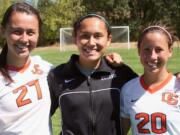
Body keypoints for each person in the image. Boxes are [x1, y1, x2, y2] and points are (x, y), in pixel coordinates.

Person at [48, 13, 137, 135]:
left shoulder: (122, 73)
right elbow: (38, 117)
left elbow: (149, 94)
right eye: (85, 36)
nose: (91, 42)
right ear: (75, 39)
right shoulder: (57, 75)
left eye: (98, 36)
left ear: (108, 40)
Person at [0, 2, 52, 134]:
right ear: (3, 31)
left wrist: (111, 63)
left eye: (30, 32)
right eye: (17, 31)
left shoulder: (47, 69)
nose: (24, 39)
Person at [120, 25, 180, 135]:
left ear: (170, 51)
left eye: (159, 50)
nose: (152, 56)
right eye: (146, 49)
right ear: (139, 51)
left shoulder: (178, 87)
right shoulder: (128, 89)